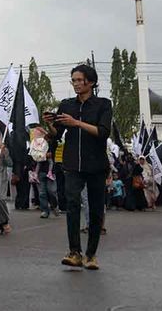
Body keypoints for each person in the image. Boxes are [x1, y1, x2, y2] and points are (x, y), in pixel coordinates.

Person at [45, 64, 112, 271]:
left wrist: (77, 123)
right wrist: (50, 123)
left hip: (96, 164)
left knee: (95, 209)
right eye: (73, 80)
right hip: (72, 163)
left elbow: (103, 132)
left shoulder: (103, 104)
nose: (75, 84)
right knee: (72, 204)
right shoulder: (66, 104)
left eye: (79, 80)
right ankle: (74, 252)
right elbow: (57, 134)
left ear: (90, 82)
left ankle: (91, 255)